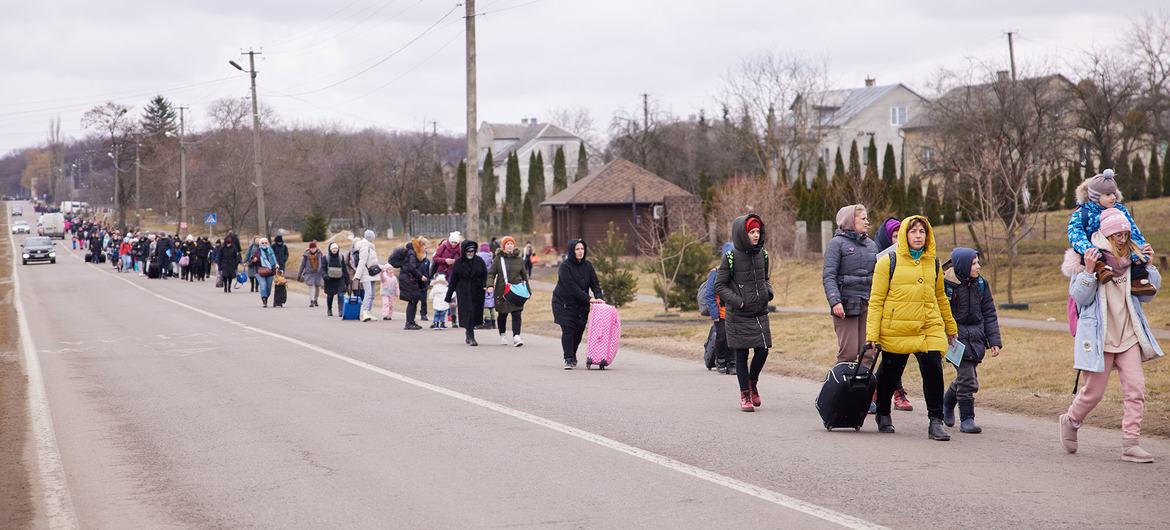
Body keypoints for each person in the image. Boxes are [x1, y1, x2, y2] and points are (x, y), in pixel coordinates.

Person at [1060, 208, 1162, 463]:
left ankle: (1131, 443)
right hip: (1100, 338)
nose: (1121, 238)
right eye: (1116, 234)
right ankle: (1071, 420)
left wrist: (1149, 267)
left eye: (1124, 233)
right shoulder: (1090, 257)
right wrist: (1089, 272)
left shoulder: (1133, 259)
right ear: (1106, 234)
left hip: (1128, 335)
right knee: (1093, 393)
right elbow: (1080, 299)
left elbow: (1148, 294)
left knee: (1136, 389)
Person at [866, 215, 958, 441]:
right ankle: (884, 413)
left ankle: (935, 421)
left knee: (933, 371)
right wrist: (872, 334)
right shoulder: (888, 261)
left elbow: (940, 296)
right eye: (913, 231)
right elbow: (876, 300)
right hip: (898, 326)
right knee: (890, 373)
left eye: (922, 232)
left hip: (928, 326)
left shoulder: (933, 262)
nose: (918, 236)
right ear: (905, 234)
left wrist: (950, 326)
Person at [714, 214, 773, 412]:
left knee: (763, 350)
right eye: (751, 232)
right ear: (743, 234)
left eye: (757, 232)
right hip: (738, 314)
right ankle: (745, 394)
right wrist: (739, 302)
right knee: (741, 354)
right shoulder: (730, 257)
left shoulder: (763, 255)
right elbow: (720, 285)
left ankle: (752, 382)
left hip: (759, 311)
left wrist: (768, 292)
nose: (756, 236)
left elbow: (765, 278)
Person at [941, 247, 1003, 434]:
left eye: (978, 262)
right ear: (963, 265)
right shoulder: (947, 285)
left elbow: (989, 314)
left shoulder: (981, 284)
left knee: (966, 378)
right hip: (955, 338)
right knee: (969, 380)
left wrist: (994, 341)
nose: (978, 266)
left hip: (976, 337)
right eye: (974, 263)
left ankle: (947, 402)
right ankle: (967, 418)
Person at [1068, 169, 1156, 295]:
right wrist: (1088, 248)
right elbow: (1074, 232)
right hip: (1093, 248)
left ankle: (1139, 281)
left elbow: (1132, 228)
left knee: (1137, 257)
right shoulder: (1083, 212)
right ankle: (1101, 270)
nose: (1113, 197)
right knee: (1090, 256)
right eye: (1108, 194)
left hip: (1121, 246)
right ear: (1096, 196)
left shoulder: (1120, 209)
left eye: (1114, 193)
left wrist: (1140, 247)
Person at [823, 204, 879, 365]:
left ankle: (864, 389)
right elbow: (829, 275)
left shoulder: (872, 245)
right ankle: (842, 387)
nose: (867, 222)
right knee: (849, 352)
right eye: (863, 218)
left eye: (867, 218)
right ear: (850, 221)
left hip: (868, 304)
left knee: (868, 352)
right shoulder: (836, 244)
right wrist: (835, 302)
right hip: (846, 305)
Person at [874, 217, 915, 413]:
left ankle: (891, 392)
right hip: (879, 310)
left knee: (896, 355)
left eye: (901, 236)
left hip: (901, 313)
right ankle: (891, 393)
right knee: (889, 356)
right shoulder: (878, 256)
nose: (898, 240)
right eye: (895, 236)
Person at [552, 239, 604, 369]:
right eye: (577, 249)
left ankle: (572, 354)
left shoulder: (588, 266)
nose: (580, 251)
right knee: (568, 329)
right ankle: (568, 358)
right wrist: (589, 299)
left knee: (579, 330)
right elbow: (571, 287)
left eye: (582, 249)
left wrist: (599, 297)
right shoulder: (565, 267)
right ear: (572, 251)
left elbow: (595, 284)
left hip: (581, 305)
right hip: (563, 304)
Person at [488, 236, 529, 347]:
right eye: (507, 244)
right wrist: (490, 285)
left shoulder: (519, 259)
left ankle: (516, 336)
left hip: (516, 291)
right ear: (504, 246)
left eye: (511, 243)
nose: (510, 245)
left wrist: (528, 291)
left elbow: (525, 276)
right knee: (502, 314)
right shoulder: (498, 259)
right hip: (502, 291)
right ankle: (502, 334)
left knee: (517, 313)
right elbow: (491, 273)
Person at [703, 242, 736, 375]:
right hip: (720, 313)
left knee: (734, 338)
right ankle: (720, 359)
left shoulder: (738, 273)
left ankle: (732, 362)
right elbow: (709, 295)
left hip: (735, 313)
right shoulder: (715, 273)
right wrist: (714, 313)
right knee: (722, 337)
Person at [447, 240, 488, 346]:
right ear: (464, 251)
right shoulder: (458, 262)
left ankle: (468, 331)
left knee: (474, 313)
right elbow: (453, 280)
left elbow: (484, 275)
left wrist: (485, 285)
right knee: (468, 312)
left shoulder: (479, 261)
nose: (470, 253)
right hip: (463, 291)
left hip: (477, 291)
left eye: (472, 251)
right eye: (468, 251)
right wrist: (448, 296)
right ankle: (471, 336)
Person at [398, 237, 428, 330]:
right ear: (420, 245)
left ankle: (411, 321)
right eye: (425, 246)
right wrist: (420, 276)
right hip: (408, 279)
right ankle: (409, 323)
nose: (426, 248)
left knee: (414, 300)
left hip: (409, 279)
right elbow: (411, 267)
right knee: (412, 300)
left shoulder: (413, 252)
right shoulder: (412, 253)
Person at [353, 230, 380, 322]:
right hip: (365, 273)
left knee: (372, 295)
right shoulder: (365, 246)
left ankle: (369, 312)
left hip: (372, 273)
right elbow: (362, 261)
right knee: (368, 293)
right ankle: (364, 312)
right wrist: (357, 276)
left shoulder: (371, 246)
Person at [323, 242, 350, 317]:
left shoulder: (341, 257)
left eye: (336, 248)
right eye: (333, 248)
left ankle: (341, 310)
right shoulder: (326, 257)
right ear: (330, 249)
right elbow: (323, 269)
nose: (335, 250)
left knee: (341, 295)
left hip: (340, 279)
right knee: (330, 296)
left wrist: (347, 280)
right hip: (329, 280)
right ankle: (329, 309)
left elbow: (344, 269)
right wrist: (325, 275)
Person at [252, 237, 279, 307]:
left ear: (268, 243)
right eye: (262, 243)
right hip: (259, 271)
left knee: (268, 288)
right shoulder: (257, 251)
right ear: (260, 244)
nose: (264, 244)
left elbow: (274, 259)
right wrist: (254, 260)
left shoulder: (270, 250)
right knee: (263, 284)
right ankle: (264, 299)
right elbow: (252, 260)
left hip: (270, 271)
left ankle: (266, 297)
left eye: (265, 243)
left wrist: (276, 264)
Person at [297, 241, 326, 308]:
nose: (313, 249)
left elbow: (324, 264)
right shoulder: (306, 255)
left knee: (317, 286)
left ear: (316, 248)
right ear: (309, 248)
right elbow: (302, 265)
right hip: (309, 273)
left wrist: (324, 272)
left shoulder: (320, 254)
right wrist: (299, 274)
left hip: (318, 273)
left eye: (314, 248)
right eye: (312, 248)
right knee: (311, 286)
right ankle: (312, 300)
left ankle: (316, 299)